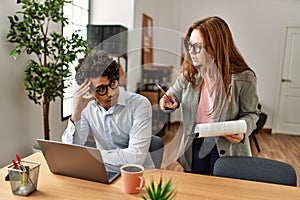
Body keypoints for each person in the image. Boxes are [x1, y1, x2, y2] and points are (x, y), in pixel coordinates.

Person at [159, 16, 259, 174]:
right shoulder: (189, 74)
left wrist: (244, 130)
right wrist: (166, 102)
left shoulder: (244, 78)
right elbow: (171, 97)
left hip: (227, 146)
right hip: (196, 143)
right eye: (190, 45)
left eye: (198, 47)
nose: (191, 52)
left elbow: (252, 114)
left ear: (216, 47)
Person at [62, 50, 154, 169]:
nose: (111, 93)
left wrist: (92, 156)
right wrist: (76, 114)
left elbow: (136, 157)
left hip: (138, 174)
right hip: (104, 172)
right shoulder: (86, 107)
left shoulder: (139, 104)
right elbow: (70, 151)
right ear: (88, 91)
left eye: (113, 83)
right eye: (101, 89)